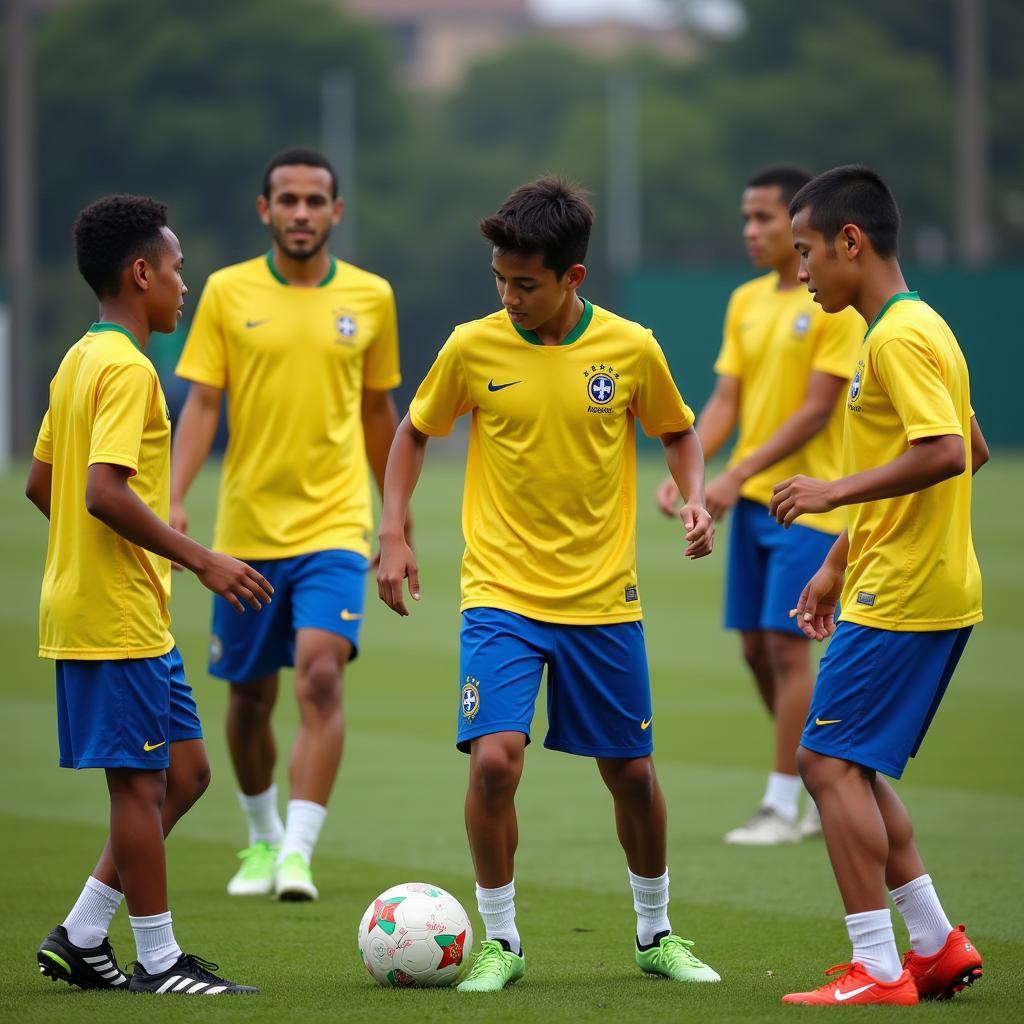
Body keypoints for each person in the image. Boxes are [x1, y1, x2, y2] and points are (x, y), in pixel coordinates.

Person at [377, 177, 720, 992]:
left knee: (631, 775)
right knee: (494, 762)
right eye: (499, 279)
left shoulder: (632, 348)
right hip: (500, 593)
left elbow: (679, 431)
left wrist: (696, 496)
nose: (508, 296)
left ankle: (655, 933)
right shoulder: (472, 346)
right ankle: (500, 941)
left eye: (524, 283)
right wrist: (392, 530)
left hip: (604, 598)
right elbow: (412, 432)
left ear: (574, 278)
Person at [29, 194, 271, 995]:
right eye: (174, 270)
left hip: (124, 609)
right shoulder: (129, 370)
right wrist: (200, 559)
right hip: (111, 616)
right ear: (141, 274)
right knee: (140, 784)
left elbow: (44, 484)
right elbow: (101, 491)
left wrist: (99, 550)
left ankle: (83, 933)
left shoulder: (77, 359)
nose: (184, 284)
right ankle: (160, 964)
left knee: (189, 772)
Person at [771, 165, 987, 1006]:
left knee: (822, 764)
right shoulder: (921, 324)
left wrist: (830, 493)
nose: (801, 272)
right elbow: (971, 446)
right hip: (913, 581)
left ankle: (879, 968)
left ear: (850, 243)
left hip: (907, 594)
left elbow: (941, 451)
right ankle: (933, 947)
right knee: (853, 766)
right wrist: (835, 561)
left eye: (806, 252)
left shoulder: (894, 337)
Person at [170, 147, 403, 902]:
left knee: (322, 674)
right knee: (247, 700)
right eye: (288, 200)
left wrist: (392, 519)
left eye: (315, 201)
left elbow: (378, 411)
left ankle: (299, 852)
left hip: (335, 524)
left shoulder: (372, 297)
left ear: (337, 212)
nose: (301, 213)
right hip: (244, 529)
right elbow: (204, 402)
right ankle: (262, 838)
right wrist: (174, 498)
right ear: (263, 210)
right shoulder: (225, 291)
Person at [656, 166, 863, 845]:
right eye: (746, 219)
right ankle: (820, 775)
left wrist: (734, 469)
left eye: (765, 219)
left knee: (785, 643)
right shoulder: (745, 301)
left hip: (814, 503)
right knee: (753, 648)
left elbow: (815, 411)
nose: (752, 231)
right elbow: (724, 402)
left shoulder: (831, 303)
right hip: (751, 504)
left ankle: (783, 803)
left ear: (800, 223)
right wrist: (694, 476)